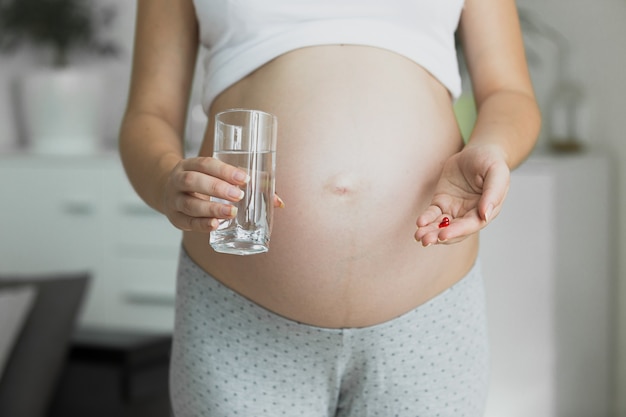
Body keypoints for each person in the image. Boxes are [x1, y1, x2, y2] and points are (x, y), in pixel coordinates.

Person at [119, 1, 541, 416]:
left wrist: (491, 147)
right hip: (238, 319)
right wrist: (164, 181)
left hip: (428, 320)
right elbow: (148, 113)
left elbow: (510, 93)